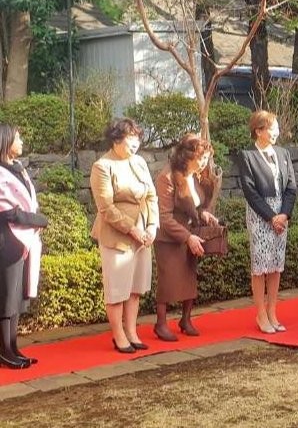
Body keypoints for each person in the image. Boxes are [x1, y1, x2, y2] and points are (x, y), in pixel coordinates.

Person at [90, 118, 159, 353]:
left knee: (135, 287)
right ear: (116, 139)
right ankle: (118, 335)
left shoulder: (139, 162)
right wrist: (132, 228)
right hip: (117, 235)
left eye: (137, 138)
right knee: (117, 289)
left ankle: (132, 331)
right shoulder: (102, 166)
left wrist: (152, 226)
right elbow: (106, 208)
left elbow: (152, 196)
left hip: (142, 233)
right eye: (130, 139)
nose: (135, 144)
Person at [153, 134, 220, 341]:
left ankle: (186, 319)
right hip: (169, 236)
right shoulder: (167, 177)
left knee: (190, 277)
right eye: (200, 158)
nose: (203, 163)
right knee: (168, 279)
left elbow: (195, 206)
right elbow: (164, 216)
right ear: (186, 156)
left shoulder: (196, 176)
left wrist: (203, 214)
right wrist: (186, 237)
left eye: (206, 158)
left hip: (192, 232)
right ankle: (161, 323)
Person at [239, 111, 297, 334]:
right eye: (271, 129)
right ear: (259, 131)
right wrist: (271, 216)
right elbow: (250, 191)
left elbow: (291, 187)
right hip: (260, 214)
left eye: (276, 128)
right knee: (260, 266)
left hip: (281, 212)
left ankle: (273, 311)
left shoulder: (283, 153)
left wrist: (284, 214)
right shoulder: (247, 156)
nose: (275, 133)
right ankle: (261, 313)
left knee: (276, 264)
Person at [0, 125, 47, 369]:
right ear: (6, 141)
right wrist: (37, 220)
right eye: (18, 137)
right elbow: (8, 211)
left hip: (23, 240)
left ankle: (13, 346)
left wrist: (34, 218)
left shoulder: (19, 169)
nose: (21, 140)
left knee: (17, 295)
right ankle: (4, 350)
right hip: (7, 240)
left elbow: (28, 202)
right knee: (6, 295)